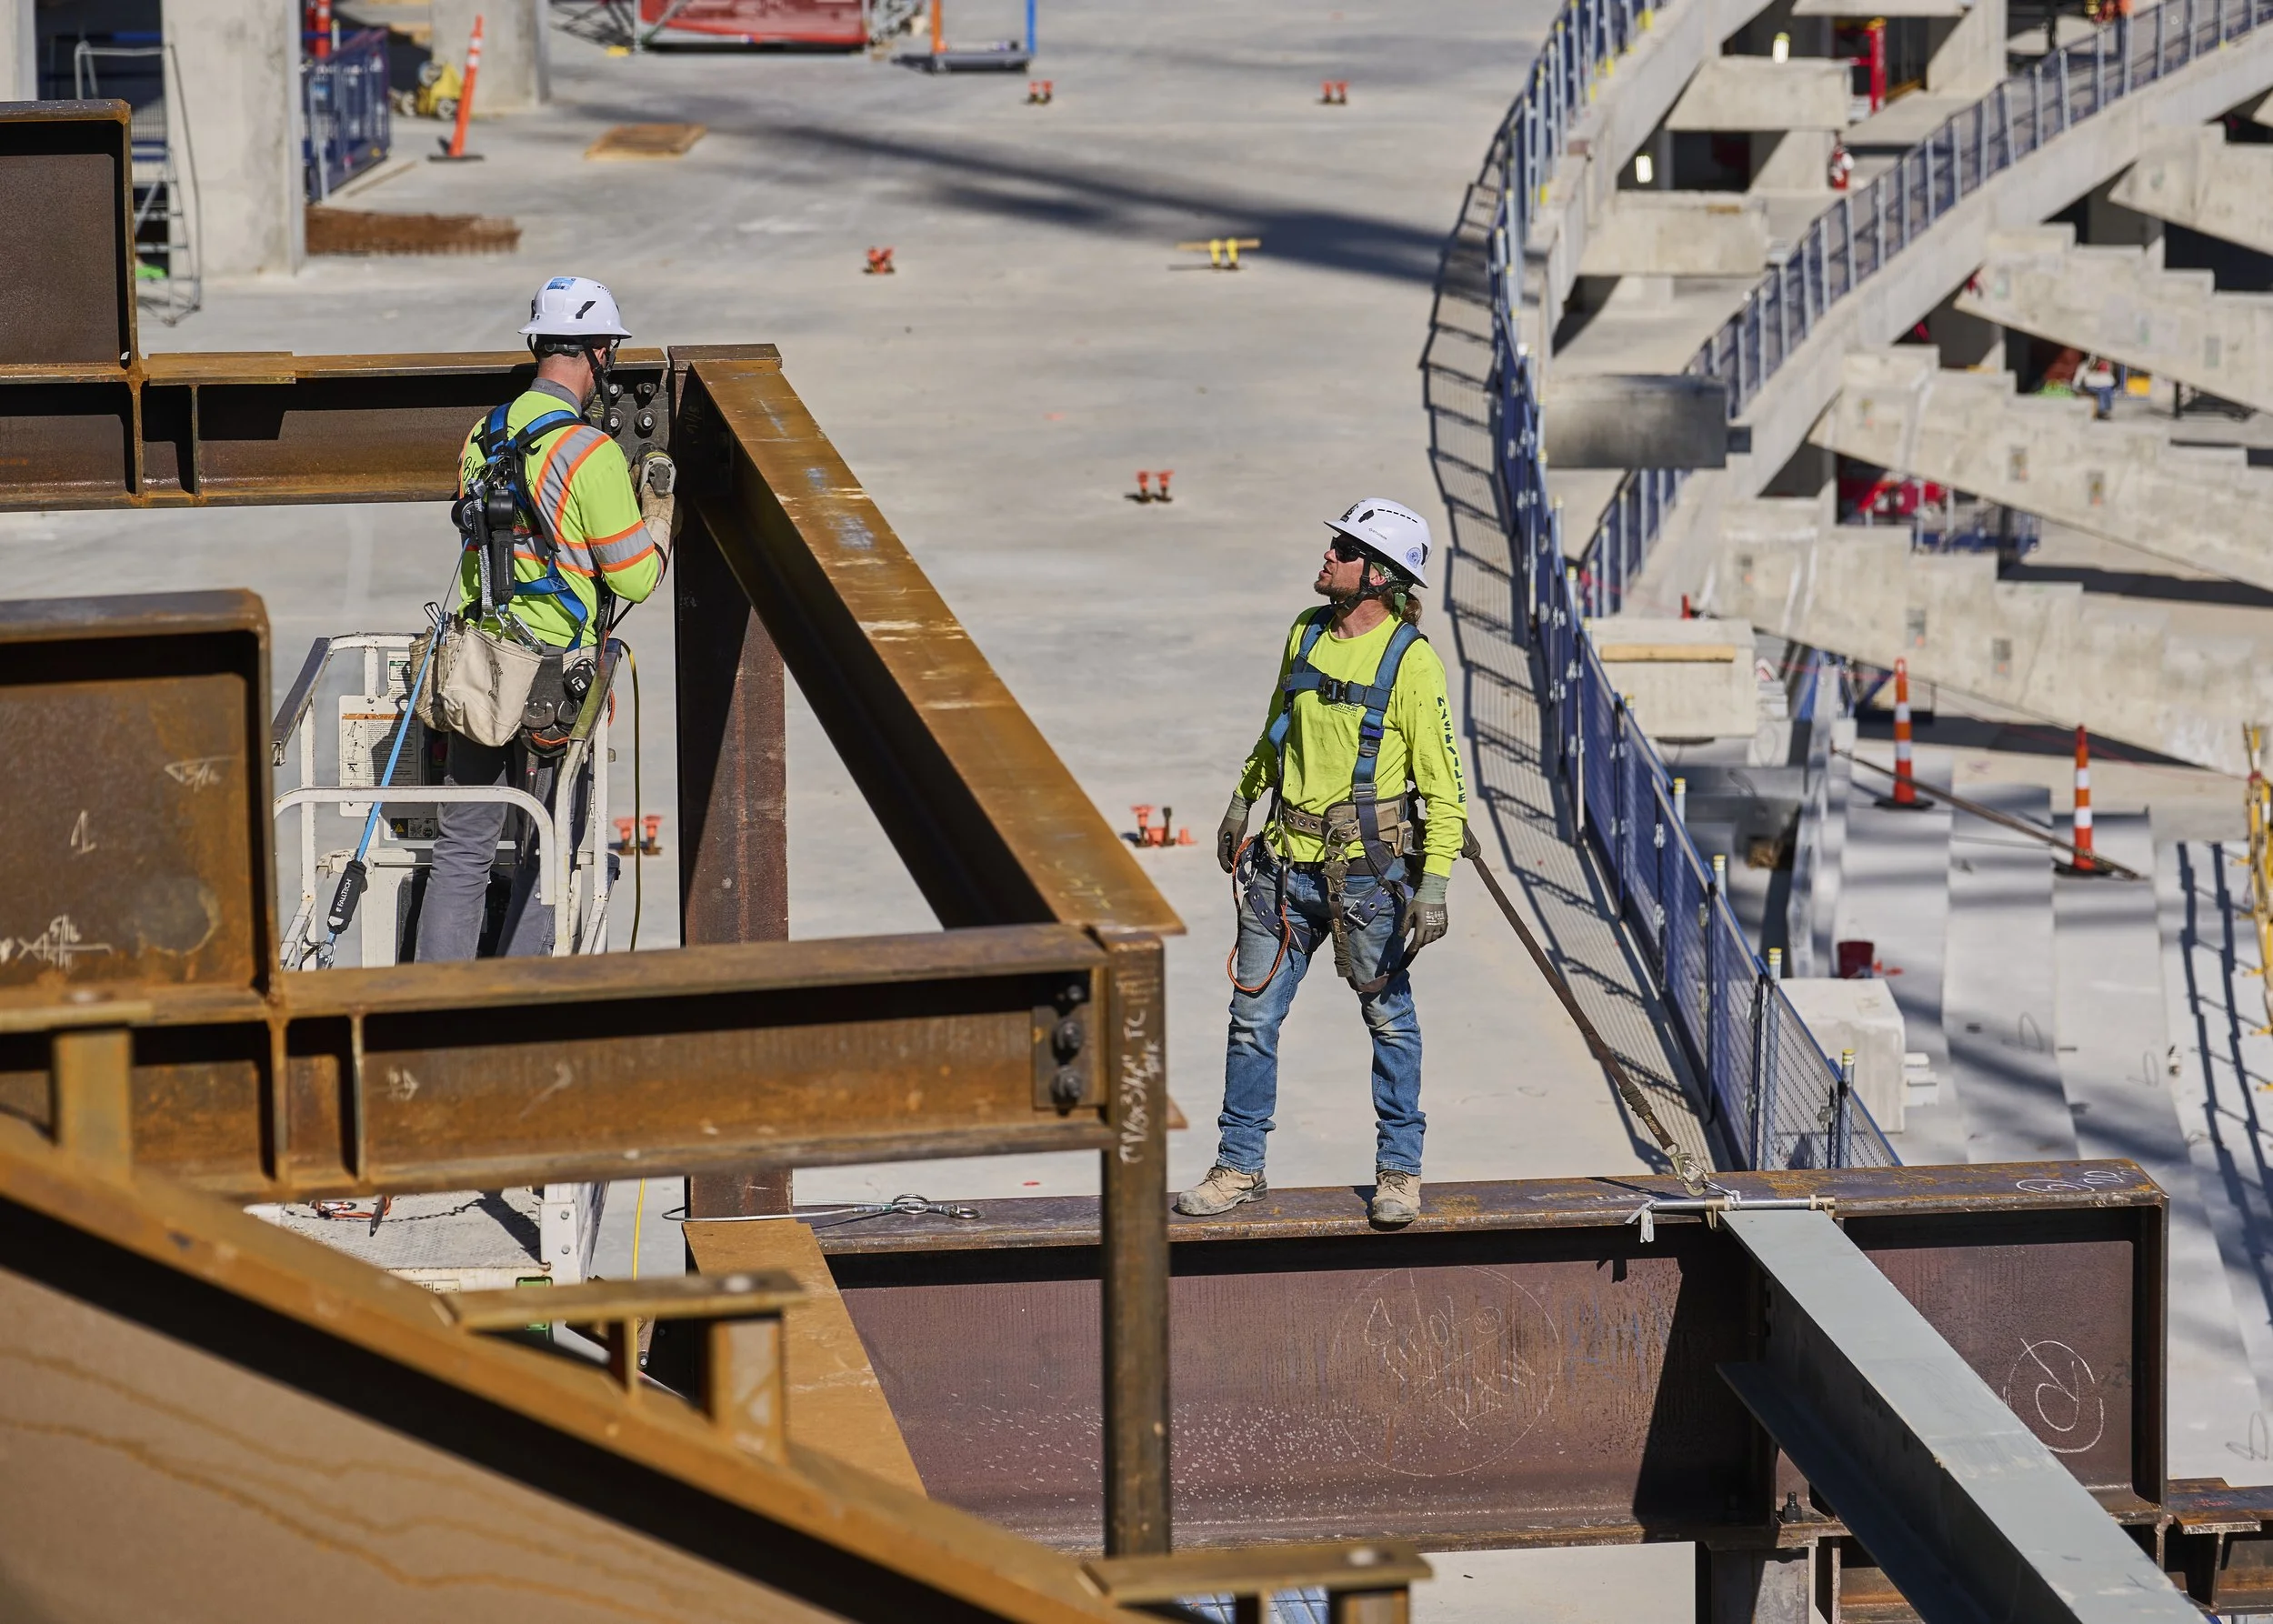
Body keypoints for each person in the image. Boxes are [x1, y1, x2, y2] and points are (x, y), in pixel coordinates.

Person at [1177, 499, 1468, 1228]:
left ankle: (1399, 1172)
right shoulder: (1305, 633)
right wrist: (1242, 802)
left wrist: (1433, 887)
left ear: (1377, 575)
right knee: (1251, 1019)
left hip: (1365, 881)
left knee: (1389, 1020)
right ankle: (1239, 1166)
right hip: (1281, 870)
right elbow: (1275, 729)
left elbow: (1445, 787)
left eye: (1344, 548)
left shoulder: (1412, 662)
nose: (1328, 556)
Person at [413, 276, 671, 961]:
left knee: (463, 849)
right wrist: (658, 514)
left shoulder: (484, 434)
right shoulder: (591, 455)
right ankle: (521, 995)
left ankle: (436, 1000)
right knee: (558, 848)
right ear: (598, 354)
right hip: (556, 687)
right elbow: (636, 576)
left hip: (478, 668)